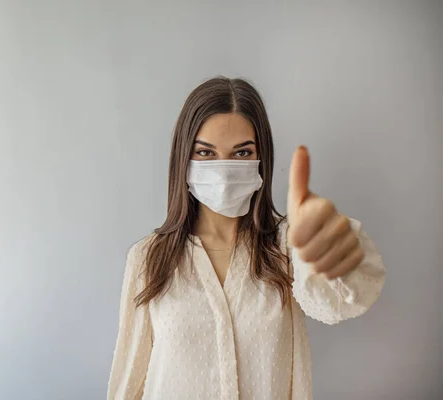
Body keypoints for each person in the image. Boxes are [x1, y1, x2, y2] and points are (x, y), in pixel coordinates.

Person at [107, 77, 386, 400]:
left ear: (261, 159)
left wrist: (337, 250)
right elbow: (130, 378)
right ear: (184, 160)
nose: (224, 171)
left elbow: (340, 303)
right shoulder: (148, 258)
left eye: (241, 153)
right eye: (205, 153)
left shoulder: (287, 247)